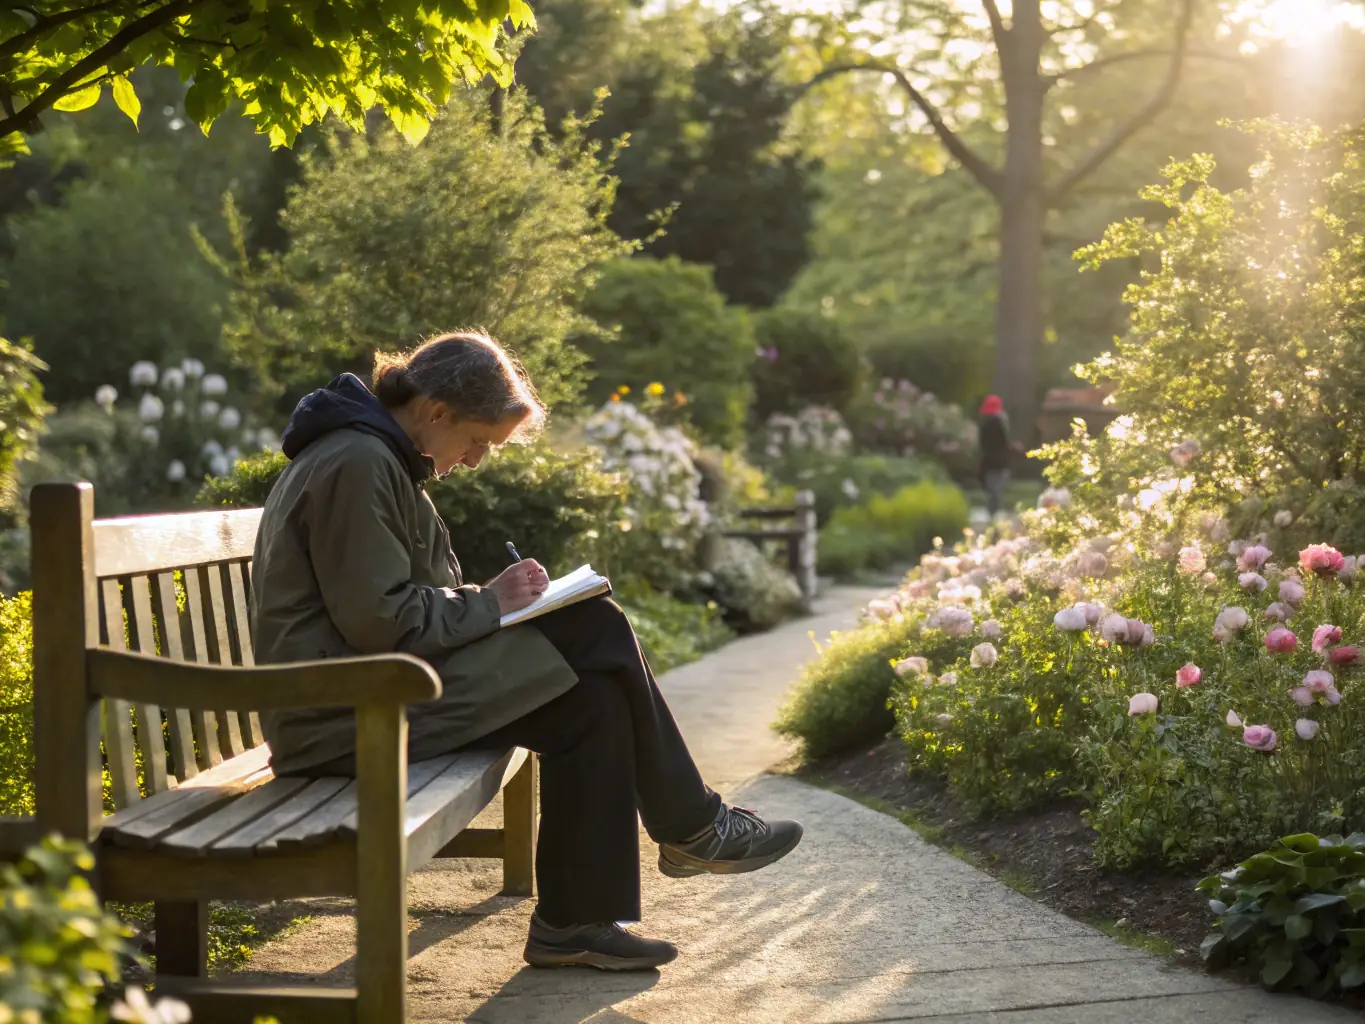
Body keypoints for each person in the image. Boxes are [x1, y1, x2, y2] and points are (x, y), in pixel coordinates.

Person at [249, 331, 803, 973]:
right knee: (594, 629)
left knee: (591, 700)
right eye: (479, 441)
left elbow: (394, 606)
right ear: (436, 413)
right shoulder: (359, 464)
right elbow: (381, 621)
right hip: (342, 718)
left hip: (379, 690)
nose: (477, 459)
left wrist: (494, 600)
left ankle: (576, 922)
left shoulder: (379, 458)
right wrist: (491, 602)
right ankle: (693, 826)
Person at [978, 394, 1014, 518]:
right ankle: (995, 515)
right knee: (997, 492)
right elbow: (1005, 442)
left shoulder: (984, 424)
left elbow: (983, 445)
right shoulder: (1000, 422)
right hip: (1000, 463)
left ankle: (992, 514)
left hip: (988, 463)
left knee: (992, 491)